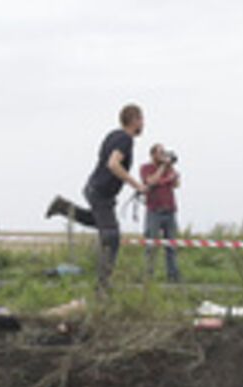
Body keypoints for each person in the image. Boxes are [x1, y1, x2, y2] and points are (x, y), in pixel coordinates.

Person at [45, 104, 147, 292]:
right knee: (111, 236)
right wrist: (137, 184)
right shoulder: (125, 139)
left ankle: (63, 206)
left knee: (99, 223)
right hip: (100, 192)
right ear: (134, 120)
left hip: (96, 189)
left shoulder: (112, 135)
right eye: (142, 119)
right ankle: (102, 288)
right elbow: (113, 164)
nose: (144, 123)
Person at [140, 143, 181, 282]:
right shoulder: (146, 168)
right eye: (160, 153)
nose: (163, 155)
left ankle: (173, 276)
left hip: (170, 210)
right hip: (154, 211)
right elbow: (151, 181)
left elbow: (176, 184)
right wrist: (163, 169)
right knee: (151, 245)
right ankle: (148, 276)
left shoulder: (169, 168)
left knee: (172, 246)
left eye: (164, 153)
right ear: (153, 155)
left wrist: (171, 169)